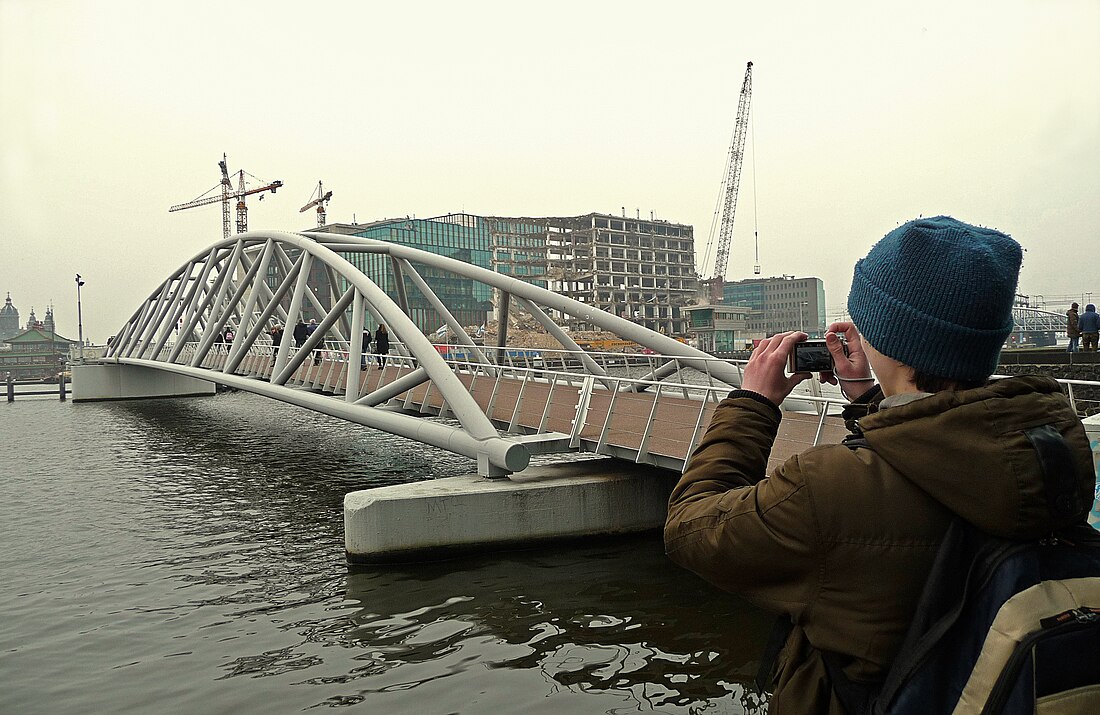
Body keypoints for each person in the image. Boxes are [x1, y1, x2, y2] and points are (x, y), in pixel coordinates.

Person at [664, 216, 1094, 713]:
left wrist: (751, 404)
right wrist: (871, 396)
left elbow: (691, 527)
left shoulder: (822, 488)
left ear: (891, 341)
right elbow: (938, 456)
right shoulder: (1051, 452)